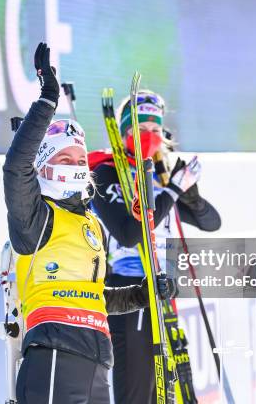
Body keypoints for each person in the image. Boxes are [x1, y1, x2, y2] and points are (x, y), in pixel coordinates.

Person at [3, 42, 169, 404]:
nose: (77, 165)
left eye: (81, 159)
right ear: (44, 164)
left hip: (97, 360)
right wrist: (48, 97)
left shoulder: (90, 225)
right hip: (54, 353)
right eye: (66, 157)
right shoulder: (35, 217)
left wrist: (143, 294)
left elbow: (96, 298)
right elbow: (16, 168)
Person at [89, 90, 221, 403]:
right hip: (128, 291)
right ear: (124, 133)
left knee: (164, 390)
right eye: (140, 130)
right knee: (136, 387)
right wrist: (174, 190)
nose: (149, 137)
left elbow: (211, 222)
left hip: (164, 288)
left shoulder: (161, 174)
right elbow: (129, 234)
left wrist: (192, 197)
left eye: (155, 130)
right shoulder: (105, 172)